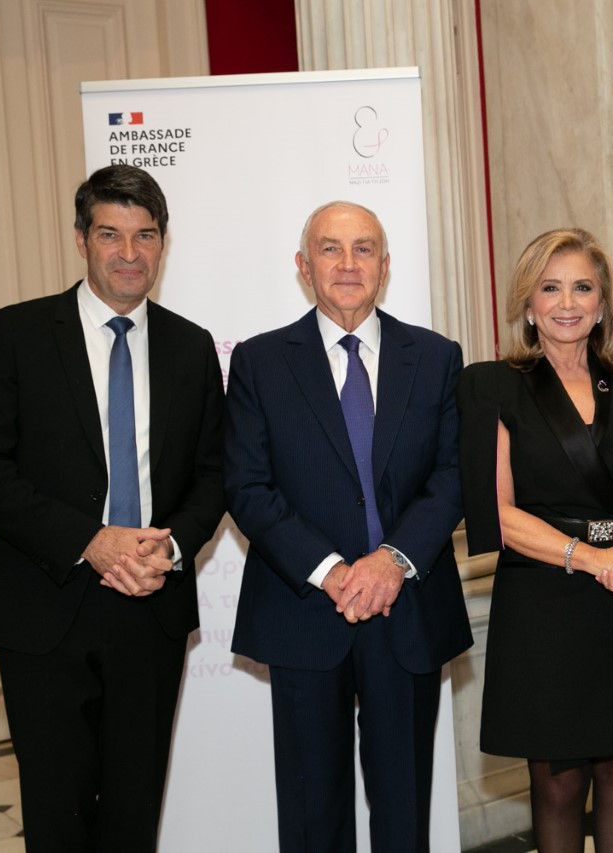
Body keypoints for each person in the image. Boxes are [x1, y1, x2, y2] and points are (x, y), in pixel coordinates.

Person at [0, 164, 224, 851]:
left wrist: (169, 547)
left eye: (145, 235)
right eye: (110, 234)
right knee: (57, 815)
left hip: (151, 607)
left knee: (134, 812)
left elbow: (216, 474)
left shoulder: (192, 346)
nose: (129, 253)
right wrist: (90, 540)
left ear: (162, 243)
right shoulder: (15, 334)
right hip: (46, 606)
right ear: (81, 239)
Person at [224, 200, 471, 852]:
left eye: (364, 249)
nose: (348, 264)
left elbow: (454, 475)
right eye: (330, 249)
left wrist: (392, 560)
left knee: (403, 815)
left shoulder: (437, 357)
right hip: (304, 610)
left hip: (407, 608)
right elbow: (247, 486)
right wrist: (331, 570)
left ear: (385, 266)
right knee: (313, 820)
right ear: (303, 267)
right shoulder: (260, 362)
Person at [458, 228, 613, 852]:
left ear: (602, 303)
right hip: (546, 597)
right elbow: (497, 511)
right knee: (559, 782)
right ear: (528, 303)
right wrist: (596, 560)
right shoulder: (490, 384)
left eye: (582, 287)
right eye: (550, 288)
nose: (567, 303)